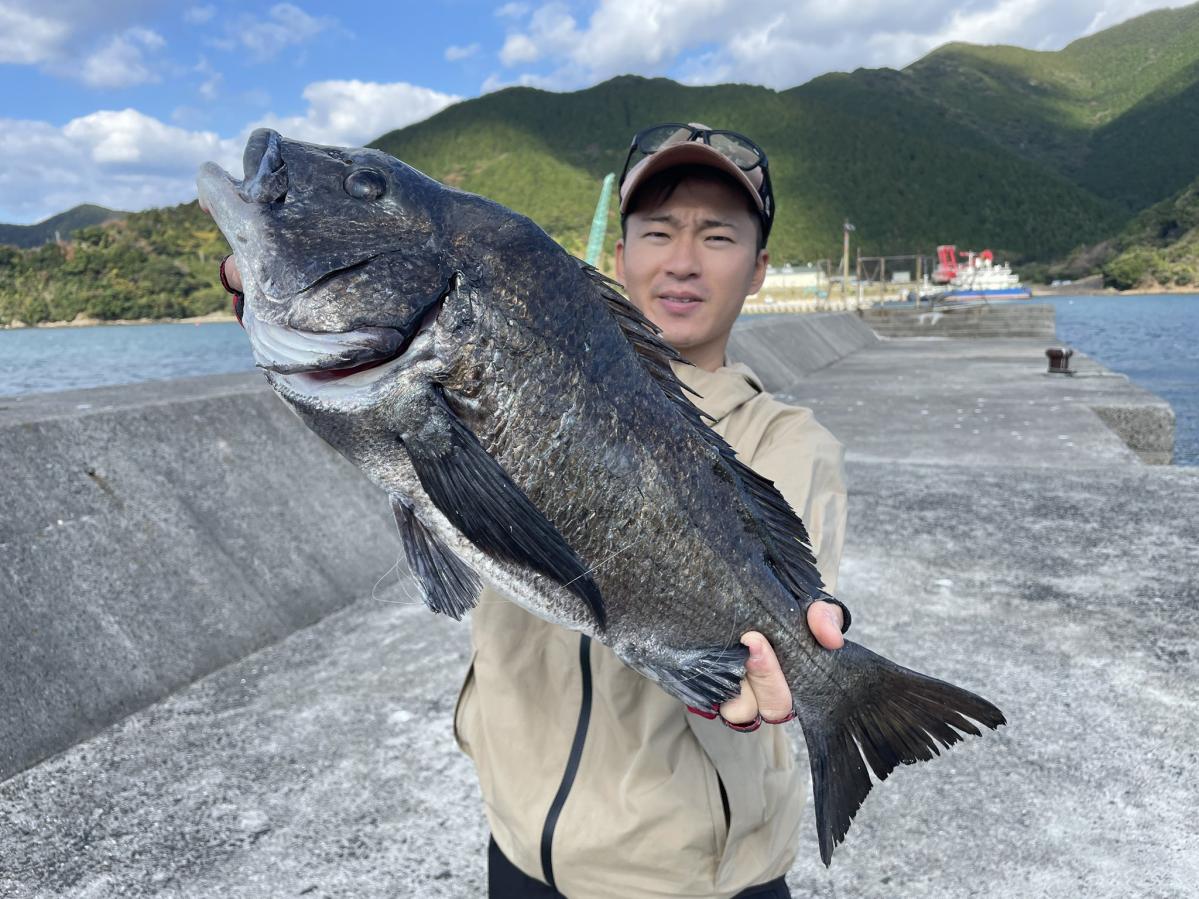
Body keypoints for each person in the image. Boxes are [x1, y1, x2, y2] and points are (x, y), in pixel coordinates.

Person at [215, 122, 848, 898]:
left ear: (758, 269)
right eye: (657, 231)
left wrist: (801, 649)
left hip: (693, 878)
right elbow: (388, 430)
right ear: (618, 258)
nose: (682, 260)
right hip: (517, 848)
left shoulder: (789, 441)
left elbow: (795, 608)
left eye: (717, 235)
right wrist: (296, 319)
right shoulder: (467, 346)